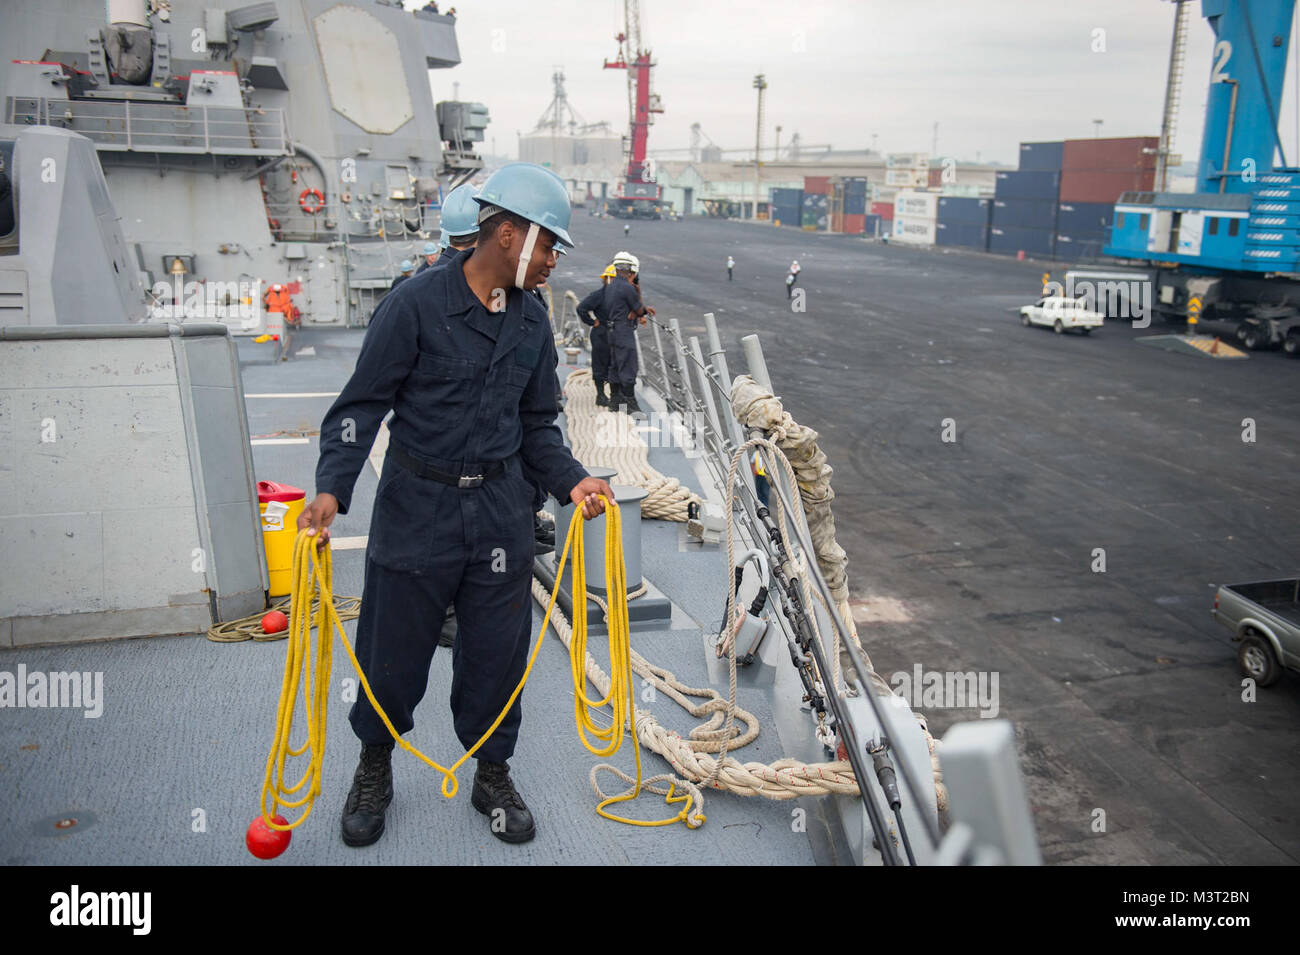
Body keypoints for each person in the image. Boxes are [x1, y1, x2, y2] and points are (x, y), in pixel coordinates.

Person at [299, 162, 614, 848]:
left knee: (498, 654)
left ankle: (491, 771)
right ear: (505, 234)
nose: (554, 261)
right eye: (548, 244)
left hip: (500, 511)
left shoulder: (532, 323)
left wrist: (573, 481)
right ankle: (374, 765)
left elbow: (538, 427)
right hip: (417, 506)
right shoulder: (413, 307)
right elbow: (359, 408)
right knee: (392, 650)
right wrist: (331, 487)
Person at [602, 251, 654, 414]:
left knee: (615, 365)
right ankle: (631, 406)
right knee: (628, 366)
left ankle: (615, 402)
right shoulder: (627, 288)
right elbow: (638, 309)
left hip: (611, 330)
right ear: (631, 270)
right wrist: (644, 311)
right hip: (623, 330)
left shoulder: (610, 287)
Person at [577, 265, 616, 406]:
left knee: (615, 364)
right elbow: (581, 308)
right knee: (600, 364)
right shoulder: (598, 295)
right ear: (605, 279)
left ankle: (615, 394)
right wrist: (592, 322)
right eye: (609, 278)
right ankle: (600, 395)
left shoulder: (621, 296)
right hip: (601, 333)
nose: (610, 280)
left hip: (616, 333)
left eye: (614, 278)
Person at [262, 282, 297, 361]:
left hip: (280, 313)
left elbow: (287, 306)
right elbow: (264, 297)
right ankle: (277, 339)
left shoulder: (284, 293)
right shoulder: (271, 292)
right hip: (274, 314)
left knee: (280, 329)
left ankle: (280, 340)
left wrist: (289, 319)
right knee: (276, 328)